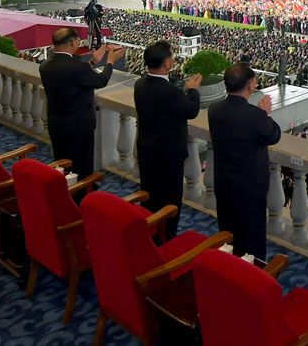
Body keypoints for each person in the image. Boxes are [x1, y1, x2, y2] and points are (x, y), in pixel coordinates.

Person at [208, 62, 281, 259]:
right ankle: (251, 273)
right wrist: (266, 114)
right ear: (250, 85)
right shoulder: (255, 116)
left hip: (224, 179)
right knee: (251, 235)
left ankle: (228, 265)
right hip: (250, 186)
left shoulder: (214, 108)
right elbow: (274, 135)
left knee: (228, 229)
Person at [133, 40, 201, 240]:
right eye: (171, 56)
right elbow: (191, 110)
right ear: (167, 63)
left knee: (149, 194)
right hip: (168, 154)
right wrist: (192, 90)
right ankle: (166, 240)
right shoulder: (169, 91)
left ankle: (149, 234)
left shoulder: (140, 84)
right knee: (170, 198)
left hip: (147, 149)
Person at [39, 28, 125, 179]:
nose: (79, 43)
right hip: (79, 125)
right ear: (72, 42)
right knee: (81, 164)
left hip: (56, 122)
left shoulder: (45, 65)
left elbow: (71, 76)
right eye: (78, 41)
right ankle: (82, 190)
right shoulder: (78, 67)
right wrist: (110, 61)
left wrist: (93, 62)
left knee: (62, 162)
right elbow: (100, 81)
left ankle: (64, 187)